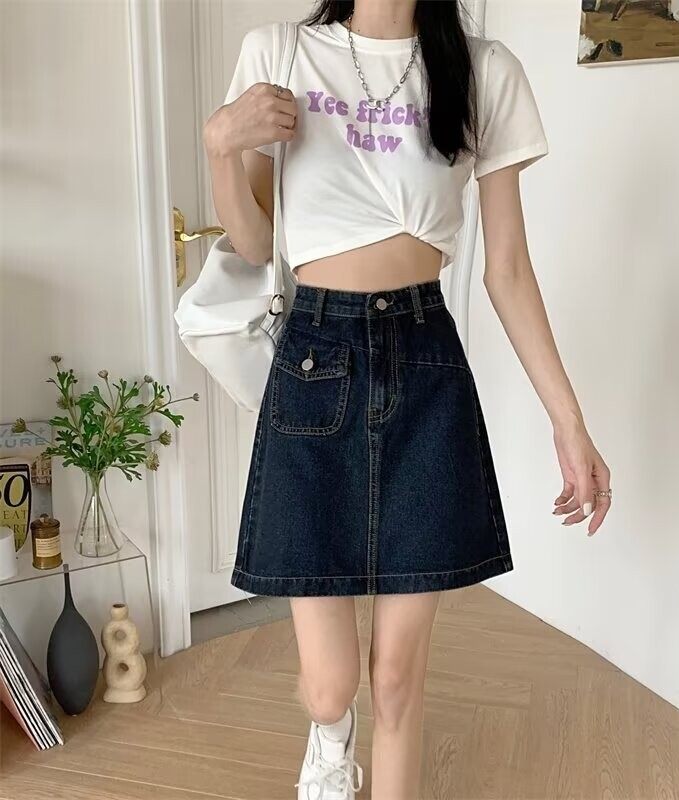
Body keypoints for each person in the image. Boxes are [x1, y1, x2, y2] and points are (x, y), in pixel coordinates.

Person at [202, 2, 612, 797]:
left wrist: (570, 422)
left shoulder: (484, 71)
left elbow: (508, 269)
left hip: (426, 367)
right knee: (330, 687)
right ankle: (330, 738)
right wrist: (221, 145)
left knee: (396, 679)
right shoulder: (281, 52)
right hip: (315, 365)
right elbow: (253, 243)